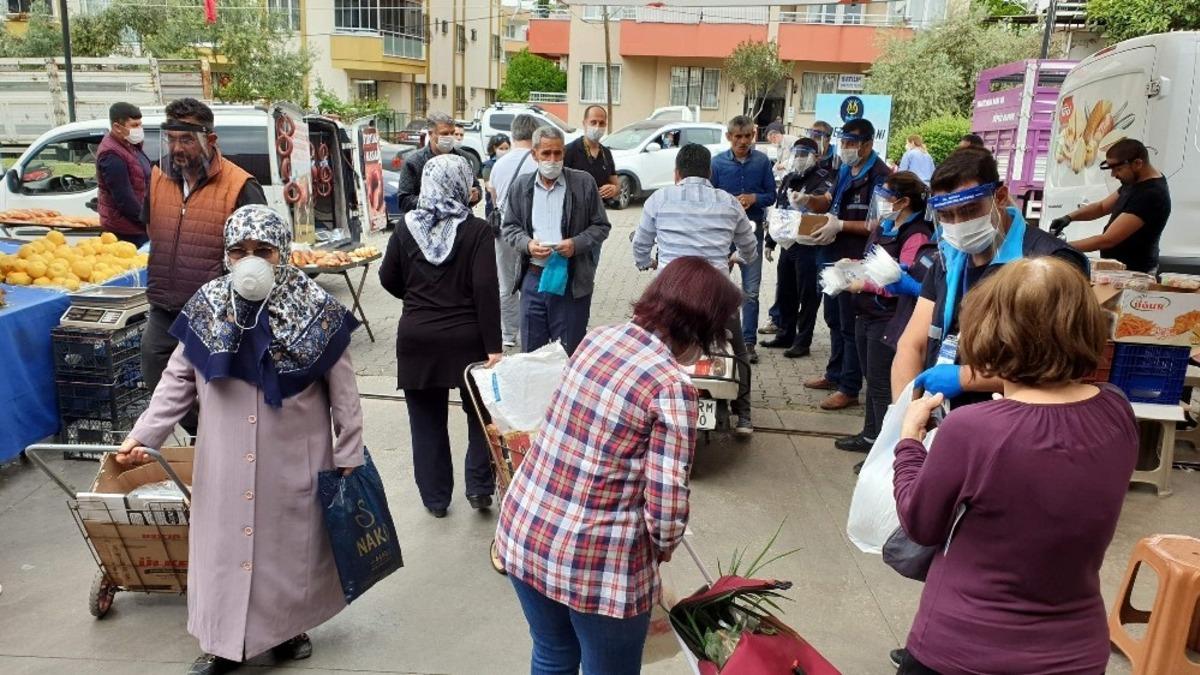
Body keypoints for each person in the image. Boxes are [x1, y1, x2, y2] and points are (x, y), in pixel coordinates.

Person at [116, 205, 364, 675]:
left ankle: (290, 629)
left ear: (283, 253)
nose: (251, 261)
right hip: (225, 462)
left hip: (294, 458)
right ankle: (223, 645)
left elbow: (344, 390)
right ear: (226, 255)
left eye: (264, 251)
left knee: (289, 551)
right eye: (239, 251)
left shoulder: (318, 311)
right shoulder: (208, 306)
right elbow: (176, 382)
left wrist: (348, 447)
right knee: (225, 553)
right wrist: (143, 436)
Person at [496, 257, 743, 675]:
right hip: (598, 561)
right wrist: (660, 552)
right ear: (701, 327)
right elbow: (666, 513)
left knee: (552, 652)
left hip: (527, 532)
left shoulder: (599, 337)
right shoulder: (671, 386)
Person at [892, 256, 1137, 675]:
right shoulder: (1116, 409)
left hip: (964, 649)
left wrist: (910, 442)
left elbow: (921, 521)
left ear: (991, 332)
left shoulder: (973, 430)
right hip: (1076, 652)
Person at [891, 148, 1090, 409]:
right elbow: (911, 344)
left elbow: (1058, 364)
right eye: (946, 216)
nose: (958, 224)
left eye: (969, 210)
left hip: (1014, 422)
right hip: (944, 420)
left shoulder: (1050, 263)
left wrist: (968, 378)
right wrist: (905, 416)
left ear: (1000, 197)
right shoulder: (948, 259)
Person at [379, 155, 501, 518]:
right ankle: (479, 489)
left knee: (426, 422)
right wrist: (494, 348)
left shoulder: (405, 228)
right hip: (468, 339)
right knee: (481, 415)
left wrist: (418, 299)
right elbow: (485, 289)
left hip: (418, 339)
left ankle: (436, 499)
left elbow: (388, 278)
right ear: (463, 185)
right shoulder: (476, 230)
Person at [142, 97, 267, 438]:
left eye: (186, 139)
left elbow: (260, 255)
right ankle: (204, 434)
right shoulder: (157, 179)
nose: (177, 148)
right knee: (155, 370)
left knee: (218, 385)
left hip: (216, 311)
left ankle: (223, 442)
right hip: (165, 306)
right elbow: (152, 230)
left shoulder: (241, 186)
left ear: (210, 140)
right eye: (171, 139)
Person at [632, 143, 758, 435]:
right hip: (716, 298)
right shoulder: (728, 202)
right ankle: (744, 415)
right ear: (710, 172)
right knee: (737, 350)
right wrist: (738, 258)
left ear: (677, 173)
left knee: (647, 348)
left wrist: (646, 263)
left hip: (669, 297)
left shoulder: (659, 199)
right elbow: (749, 247)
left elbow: (641, 244)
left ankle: (639, 403)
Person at [834, 172, 933, 454]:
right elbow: (872, 264)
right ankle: (869, 435)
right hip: (865, 313)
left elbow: (902, 282)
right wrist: (851, 266)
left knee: (880, 385)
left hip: (888, 318)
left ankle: (884, 449)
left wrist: (863, 284)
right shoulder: (885, 226)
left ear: (903, 201)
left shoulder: (916, 235)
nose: (881, 202)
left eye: (887, 197)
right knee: (871, 379)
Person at [804, 118, 891, 411]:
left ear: (868, 144)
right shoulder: (844, 169)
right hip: (834, 255)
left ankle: (849, 387)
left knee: (851, 323)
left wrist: (840, 225)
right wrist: (808, 200)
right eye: (844, 142)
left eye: (852, 143)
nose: (846, 148)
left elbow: (877, 223)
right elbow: (829, 200)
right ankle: (835, 373)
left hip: (857, 258)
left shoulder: (880, 176)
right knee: (834, 319)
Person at [501, 125, 611, 355]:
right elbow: (510, 227)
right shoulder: (522, 186)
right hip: (533, 279)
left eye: (558, 153)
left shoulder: (583, 183)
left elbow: (601, 226)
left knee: (569, 353)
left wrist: (576, 244)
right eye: (546, 154)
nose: (553, 160)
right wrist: (527, 244)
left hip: (571, 280)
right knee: (533, 353)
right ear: (534, 154)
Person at [762, 121, 839, 337]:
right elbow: (779, 209)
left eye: (804, 155)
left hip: (808, 244)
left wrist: (806, 201)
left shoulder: (825, 178)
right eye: (797, 154)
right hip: (787, 243)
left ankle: (802, 340)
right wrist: (769, 240)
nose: (799, 159)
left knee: (807, 294)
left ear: (815, 157)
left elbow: (821, 205)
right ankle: (785, 334)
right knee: (785, 290)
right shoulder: (789, 178)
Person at [711, 115, 777, 364]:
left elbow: (771, 194)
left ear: (754, 136)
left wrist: (753, 198)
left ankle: (747, 343)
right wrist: (728, 201)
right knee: (718, 289)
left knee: (751, 291)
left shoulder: (761, 162)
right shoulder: (716, 164)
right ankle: (718, 340)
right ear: (729, 137)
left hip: (752, 233)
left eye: (748, 136)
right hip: (722, 235)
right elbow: (708, 196)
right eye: (738, 136)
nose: (743, 141)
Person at [1054, 139, 1171, 274]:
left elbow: (1107, 240)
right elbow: (1102, 207)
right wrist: (1069, 217)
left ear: (1138, 163)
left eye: (1118, 169)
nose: (1113, 175)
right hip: (1120, 268)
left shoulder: (1151, 195)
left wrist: (1062, 247)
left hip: (1136, 271)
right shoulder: (1135, 181)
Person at [490, 115, 542, 348]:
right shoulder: (537, 161)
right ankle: (535, 328)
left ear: (513, 134)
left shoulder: (499, 163)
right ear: (535, 134)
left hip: (504, 232)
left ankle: (509, 334)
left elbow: (494, 197)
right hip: (534, 232)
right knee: (536, 280)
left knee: (507, 283)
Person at [396, 112, 481, 218]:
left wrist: (475, 195)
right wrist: (437, 201)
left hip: (461, 224)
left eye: (452, 133)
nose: (450, 137)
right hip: (428, 225)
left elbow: (476, 187)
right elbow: (404, 200)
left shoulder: (462, 158)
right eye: (444, 134)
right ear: (431, 134)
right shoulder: (414, 162)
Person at [96, 102, 151, 247]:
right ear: (117, 128)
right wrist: (149, 221)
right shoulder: (111, 155)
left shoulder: (130, 145)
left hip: (139, 226)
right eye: (134, 125)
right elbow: (125, 199)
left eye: (140, 124)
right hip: (127, 232)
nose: (139, 129)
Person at [564, 104, 620, 205]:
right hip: (574, 211)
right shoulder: (570, 150)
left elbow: (616, 184)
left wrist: (614, 189)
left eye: (601, 123)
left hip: (598, 211)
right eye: (593, 122)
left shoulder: (606, 153)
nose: (597, 127)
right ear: (584, 123)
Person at [482, 133, 511, 219]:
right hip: (493, 206)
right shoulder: (488, 166)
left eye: (506, 148)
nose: (504, 151)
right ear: (494, 148)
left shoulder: (511, 164)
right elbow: (489, 187)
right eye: (501, 148)